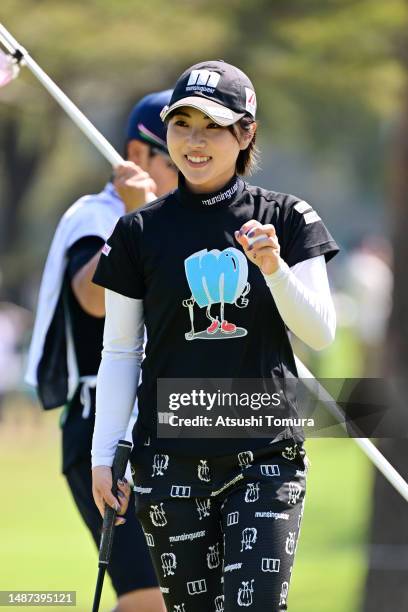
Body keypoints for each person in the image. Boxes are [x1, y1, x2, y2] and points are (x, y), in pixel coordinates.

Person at [92, 60, 339, 611]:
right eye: (181, 125)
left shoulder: (288, 218)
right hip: (168, 466)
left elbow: (319, 332)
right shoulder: (136, 233)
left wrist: (273, 270)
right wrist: (103, 455)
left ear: (245, 132)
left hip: (266, 457)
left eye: (212, 127)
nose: (194, 142)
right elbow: (121, 352)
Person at [25, 90, 177, 612]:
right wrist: (132, 222)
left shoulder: (180, 223)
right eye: (176, 154)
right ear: (139, 157)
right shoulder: (97, 215)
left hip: (166, 428)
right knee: (148, 600)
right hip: (103, 430)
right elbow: (92, 297)